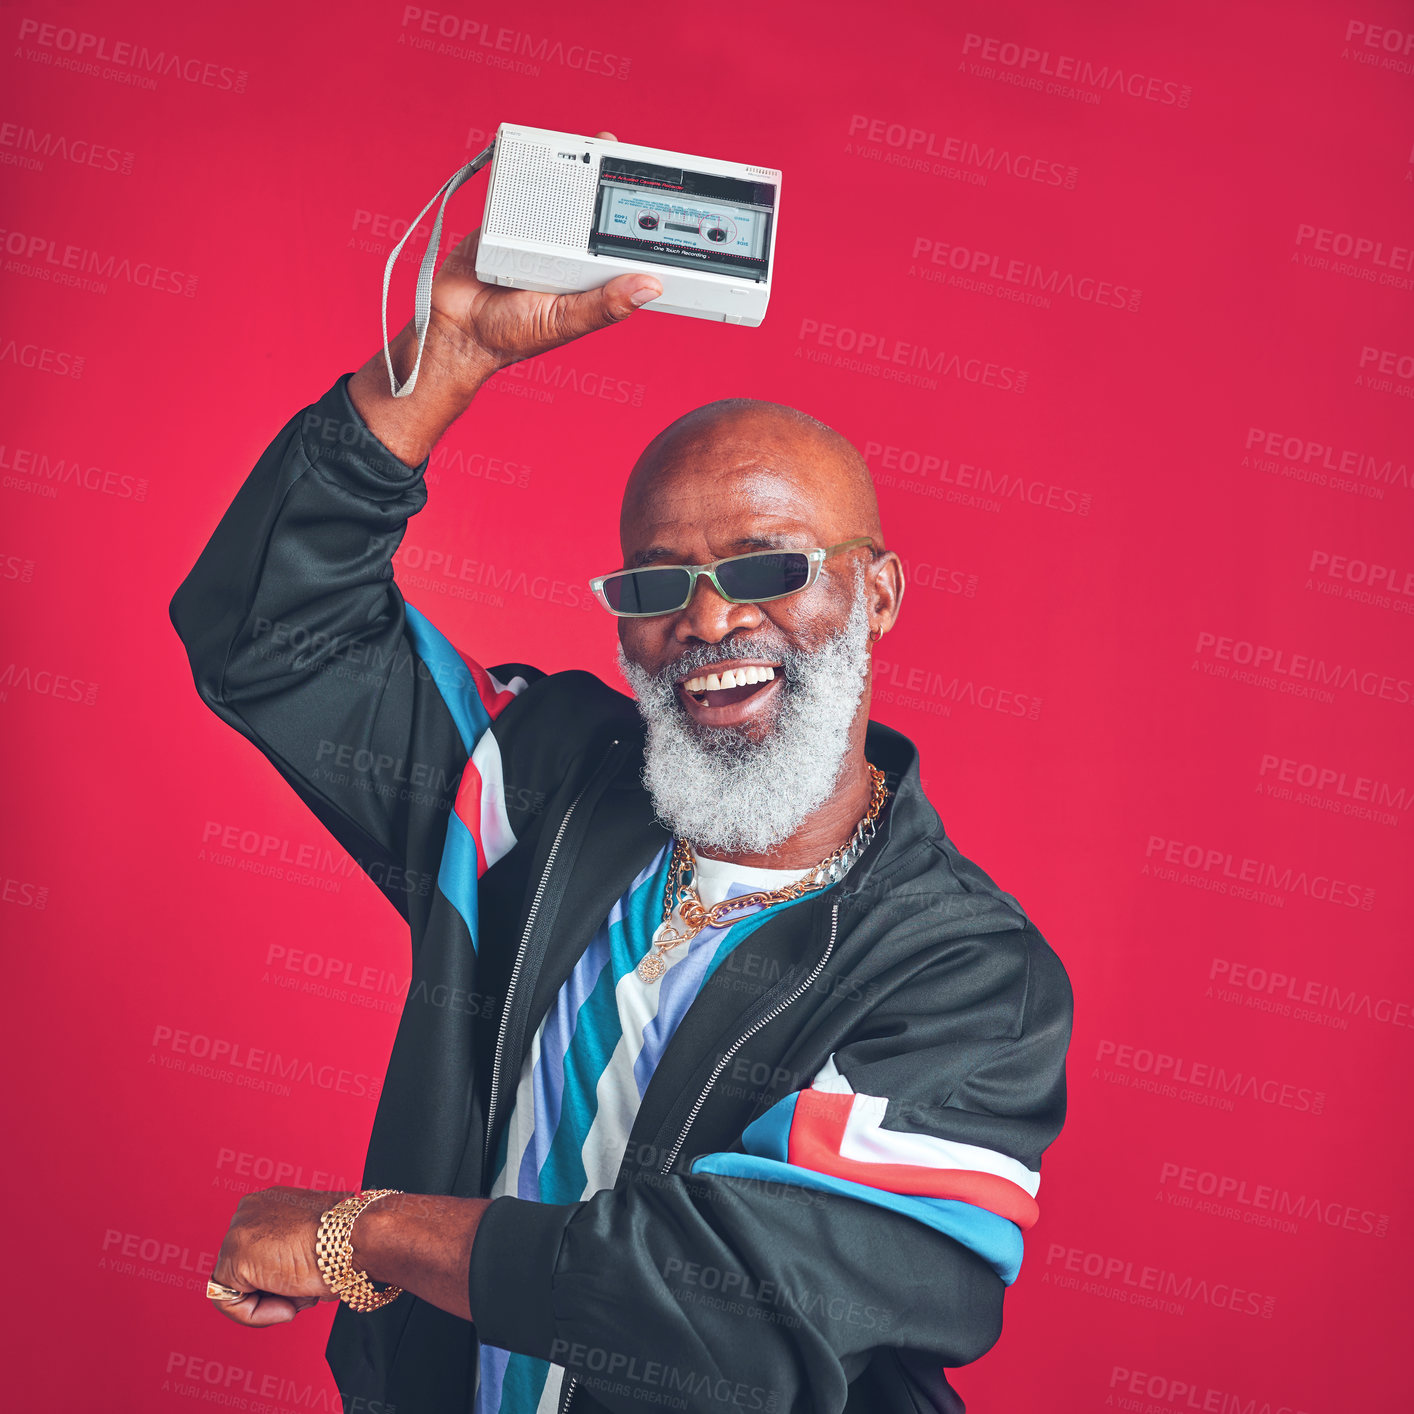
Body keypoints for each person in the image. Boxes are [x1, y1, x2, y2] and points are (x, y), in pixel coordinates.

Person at [168, 131, 1073, 1414]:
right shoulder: (541, 788)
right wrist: (446, 365)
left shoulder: (970, 977)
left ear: (876, 594)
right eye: (659, 586)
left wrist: (364, 1233)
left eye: (768, 569)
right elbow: (271, 633)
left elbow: (732, 1310)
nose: (708, 626)